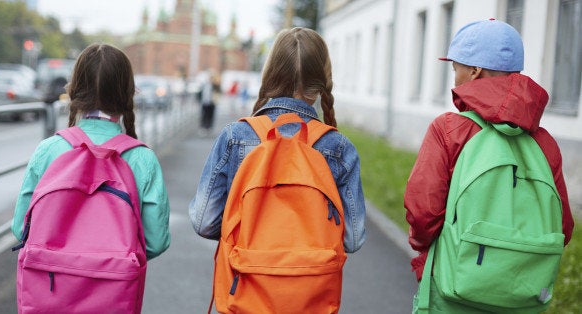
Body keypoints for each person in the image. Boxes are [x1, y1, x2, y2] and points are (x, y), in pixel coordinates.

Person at [189, 27, 367, 310]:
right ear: (322, 80)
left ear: (270, 72)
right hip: (311, 298)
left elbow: (204, 221)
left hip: (245, 291)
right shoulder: (339, 147)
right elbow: (353, 239)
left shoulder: (236, 137)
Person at [404, 19, 574, 311]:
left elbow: (423, 214)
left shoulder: (449, 130)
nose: (454, 76)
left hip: (454, 289)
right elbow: (563, 227)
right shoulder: (544, 143)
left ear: (474, 71)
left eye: (455, 67)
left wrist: (427, 252)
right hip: (525, 296)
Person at [12, 43, 171, 260]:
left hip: (48, 285)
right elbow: (156, 241)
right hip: (114, 288)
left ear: (74, 89)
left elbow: (21, 227)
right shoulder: (142, 159)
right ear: (128, 93)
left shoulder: (49, 149)